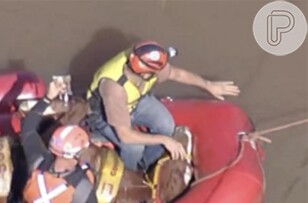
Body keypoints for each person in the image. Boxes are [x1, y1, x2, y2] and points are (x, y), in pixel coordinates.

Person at [0, 80, 147, 203]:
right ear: (77, 154)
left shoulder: (36, 159)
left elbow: (29, 127)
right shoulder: (82, 188)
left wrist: (47, 98)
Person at [85, 41, 240, 171]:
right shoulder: (114, 88)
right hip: (103, 114)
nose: (163, 71)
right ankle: (130, 172)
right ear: (145, 74)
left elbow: (177, 74)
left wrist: (208, 85)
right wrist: (164, 140)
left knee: (166, 124)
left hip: (136, 101)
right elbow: (125, 135)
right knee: (134, 148)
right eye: (156, 71)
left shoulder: (146, 61)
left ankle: (148, 165)